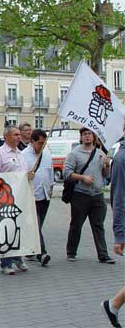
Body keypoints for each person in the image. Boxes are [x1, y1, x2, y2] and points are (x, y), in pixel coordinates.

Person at [0, 126, 35, 275]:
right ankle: (6, 263)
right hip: (5, 199)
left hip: (20, 197)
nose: (18, 137)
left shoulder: (20, 154)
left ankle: (17, 258)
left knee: (19, 229)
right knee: (6, 231)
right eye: (15, 135)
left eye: (19, 135)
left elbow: (24, 174)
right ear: (6, 136)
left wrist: (29, 176)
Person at [64, 127, 114, 264]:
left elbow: (105, 176)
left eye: (89, 134)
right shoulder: (74, 154)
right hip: (80, 195)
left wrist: (107, 166)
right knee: (76, 224)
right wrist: (82, 178)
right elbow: (67, 173)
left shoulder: (100, 154)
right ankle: (71, 252)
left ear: (94, 137)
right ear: (81, 137)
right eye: (84, 134)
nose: (87, 137)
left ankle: (103, 255)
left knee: (98, 225)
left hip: (97, 195)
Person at [102, 125, 125, 328]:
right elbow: (117, 197)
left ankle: (113, 304)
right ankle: (113, 304)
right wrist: (119, 235)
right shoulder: (121, 158)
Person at [22, 129, 53, 266]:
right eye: (40, 143)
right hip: (31, 195)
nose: (42, 146)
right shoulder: (23, 156)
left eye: (44, 143)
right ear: (32, 141)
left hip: (45, 194)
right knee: (36, 225)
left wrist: (51, 187)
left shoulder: (46, 154)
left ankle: (30, 249)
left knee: (38, 225)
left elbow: (50, 171)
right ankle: (42, 253)